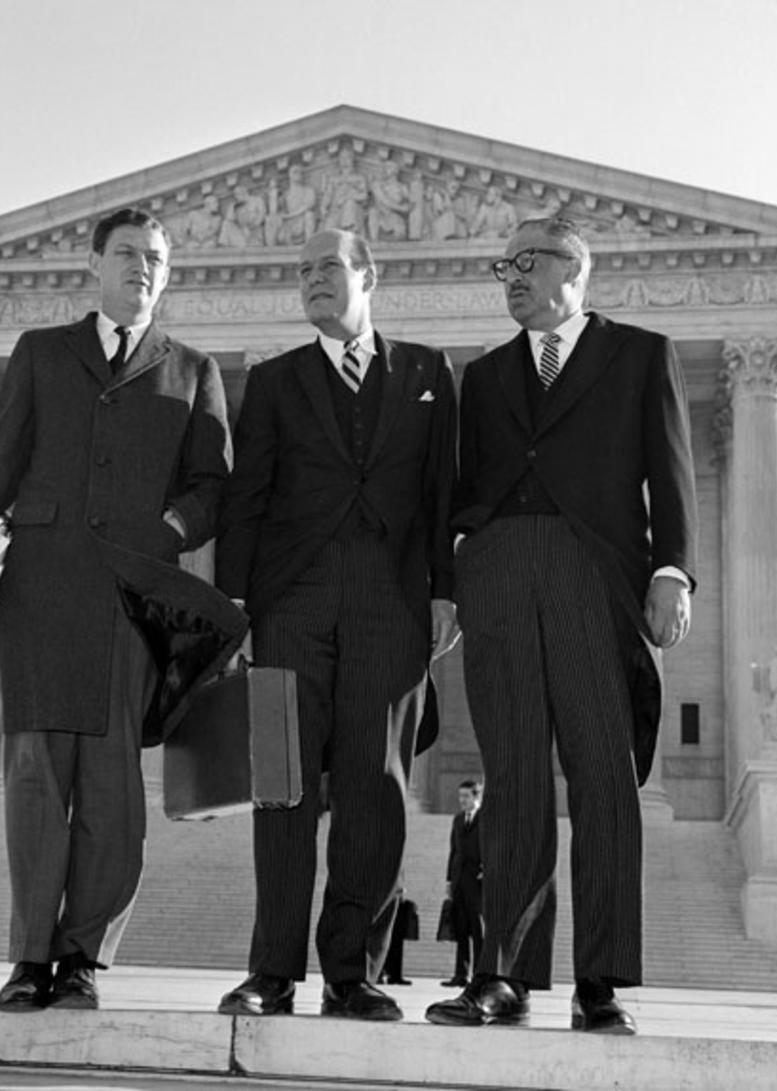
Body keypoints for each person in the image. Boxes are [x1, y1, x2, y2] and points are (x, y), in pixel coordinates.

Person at [0, 208, 244, 1014]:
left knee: (112, 788)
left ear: (167, 275)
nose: (144, 266)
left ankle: (82, 957)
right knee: (35, 775)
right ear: (95, 264)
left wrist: (166, 531)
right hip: (42, 583)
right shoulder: (41, 353)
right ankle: (30, 956)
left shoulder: (194, 368)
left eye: (158, 258)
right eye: (129, 253)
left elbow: (213, 488)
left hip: (130, 597)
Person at [426, 215, 697, 1035]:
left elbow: (671, 467)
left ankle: (600, 981)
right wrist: (463, 564)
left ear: (574, 268)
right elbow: (467, 485)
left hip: (594, 574)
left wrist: (672, 570)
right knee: (509, 775)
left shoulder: (640, 353)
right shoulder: (487, 373)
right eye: (503, 265)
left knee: (603, 773)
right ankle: (503, 972)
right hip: (503, 572)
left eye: (527, 261)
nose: (510, 275)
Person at [216, 229, 459, 1022]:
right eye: (302, 273)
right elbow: (246, 498)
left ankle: (354, 971)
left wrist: (444, 592)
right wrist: (237, 610)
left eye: (328, 268)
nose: (312, 281)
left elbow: (441, 495)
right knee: (281, 787)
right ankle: (272, 969)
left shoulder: (428, 372)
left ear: (368, 278)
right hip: (293, 602)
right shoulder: (277, 380)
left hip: (391, 603)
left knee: (376, 788)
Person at [440, 779, 483, 988]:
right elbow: (454, 851)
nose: (462, 800)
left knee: (478, 931)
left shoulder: (487, 818)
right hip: (459, 883)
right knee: (461, 931)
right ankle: (461, 975)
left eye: (466, 796)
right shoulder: (457, 820)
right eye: (460, 796)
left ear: (477, 797)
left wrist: (487, 871)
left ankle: (480, 975)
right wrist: (449, 880)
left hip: (478, 884)